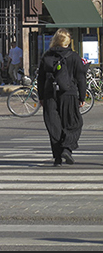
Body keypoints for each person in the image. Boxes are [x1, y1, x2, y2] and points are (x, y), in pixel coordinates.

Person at [37, 28, 87, 167]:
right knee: (74, 123)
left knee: (54, 126)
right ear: (68, 41)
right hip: (68, 94)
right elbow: (81, 78)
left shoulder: (47, 56)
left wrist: (41, 96)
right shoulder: (74, 57)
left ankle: (57, 158)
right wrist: (82, 97)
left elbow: (40, 78)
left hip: (49, 95)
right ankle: (67, 148)